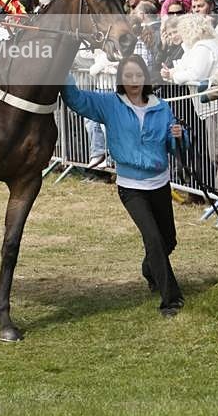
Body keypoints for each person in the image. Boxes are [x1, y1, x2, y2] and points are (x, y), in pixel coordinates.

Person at [62, 54, 185, 318]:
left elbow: (174, 145)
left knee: (168, 240)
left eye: (138, 75)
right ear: (120, 78)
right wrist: (61, 72)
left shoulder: (162, 108)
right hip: (131, 187)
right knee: (153, 239)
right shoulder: (110, 104)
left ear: (145, 78)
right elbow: (77, 100)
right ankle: (171, 300)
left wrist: (179, 136)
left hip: (159, 183)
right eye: (128, 76)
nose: (133, 81)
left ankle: (150, 269)